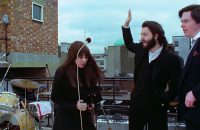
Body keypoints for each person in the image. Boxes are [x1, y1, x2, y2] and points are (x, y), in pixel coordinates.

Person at [122, 10, 182, 130]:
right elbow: (128, 43)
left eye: (145, 34)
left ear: (156, 35)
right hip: (136, 105)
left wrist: (165, 100)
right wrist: (126, 25)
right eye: (141, 34)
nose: (141, 38)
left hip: (157, 108)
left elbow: (176, 85)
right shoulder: (140, 50)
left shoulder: (171, 59)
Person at [51, 41, 102, 130]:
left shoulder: (88, 70)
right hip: (66, 120)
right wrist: (74, 106)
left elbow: (94, 93)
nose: (84, 60)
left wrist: (91, 103)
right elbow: (55, 97)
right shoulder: (62, 71)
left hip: (84, 118)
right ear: (73, 56)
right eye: (80, 57)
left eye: (86, 57)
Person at [178, 4, 200, 130]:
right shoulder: (195, 42)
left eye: (186, 21)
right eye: (181, 21)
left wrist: (195, 92)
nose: (182, 25)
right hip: (193, 113)